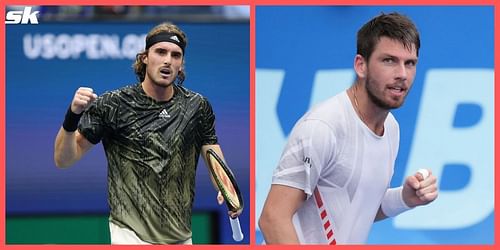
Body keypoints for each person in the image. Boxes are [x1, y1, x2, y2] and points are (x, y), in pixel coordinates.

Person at [54, 22, 242, 245]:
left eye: (175, 55)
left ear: (181, 64)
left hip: (181, 237)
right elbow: (64, 159)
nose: (167, 61)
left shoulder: (197, 107)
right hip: (129, 235)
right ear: (144, 57)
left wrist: (227, 190)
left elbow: (215, 161)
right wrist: (72, 116)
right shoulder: (113, 105)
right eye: (160, 52)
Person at [258, 12, 438, 244]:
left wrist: (404, 198)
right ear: (361, 66)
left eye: (409, 63)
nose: (402, 74)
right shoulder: (322, 127)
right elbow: (273, 218)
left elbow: (358, 207)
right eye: (389, 60)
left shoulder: (391, 128)